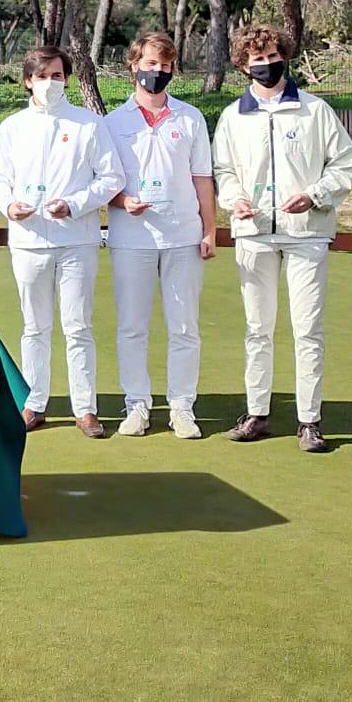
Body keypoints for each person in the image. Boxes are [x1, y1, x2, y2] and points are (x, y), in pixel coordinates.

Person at [212, 24, 352, 452]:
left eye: (272, 56)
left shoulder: (314, 111)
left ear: (285, 56)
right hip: (253, 234)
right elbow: (224, 171)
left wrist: (314, 196)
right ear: (243, 65)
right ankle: (257, 413)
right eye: (256, 60)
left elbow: (344, 164)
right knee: (258, 328)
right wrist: (235, 201)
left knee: (307, 329)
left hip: (306, 234)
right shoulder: (231, 116)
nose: (266, 65)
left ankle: (309, 421)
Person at [0, 47, 122, 435]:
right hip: (28, 242)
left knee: (78, 326)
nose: (51, 83)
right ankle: (34, 402)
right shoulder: (13, 127)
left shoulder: (88, 124)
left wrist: (75, 204)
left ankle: (85, 408)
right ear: (28, 80)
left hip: (76, 240)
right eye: (43, 76)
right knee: (35, 327)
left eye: (58, 76)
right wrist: (9, 205)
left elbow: (111, 178)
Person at [102, 34, 215, 439]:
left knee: (184, 327)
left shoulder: (190, 118)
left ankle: (182, 407)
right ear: (134, 65)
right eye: (150, 63)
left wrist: (209, 230)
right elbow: (103, 182)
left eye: (165, 65)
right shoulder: (112, 123)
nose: (157, 71)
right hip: (131, 238)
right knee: (132, 326)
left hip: (183, 236)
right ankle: (137, 405)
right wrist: (121, 200)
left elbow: (202, 177)